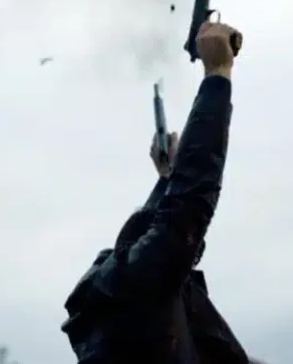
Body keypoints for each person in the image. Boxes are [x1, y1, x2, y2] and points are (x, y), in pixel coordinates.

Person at [60, 22, 250, 363]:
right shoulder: (141, 285)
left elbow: (173, 223)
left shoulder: (128, 295)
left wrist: (167, 179)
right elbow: (183, 215)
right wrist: (217, 77)